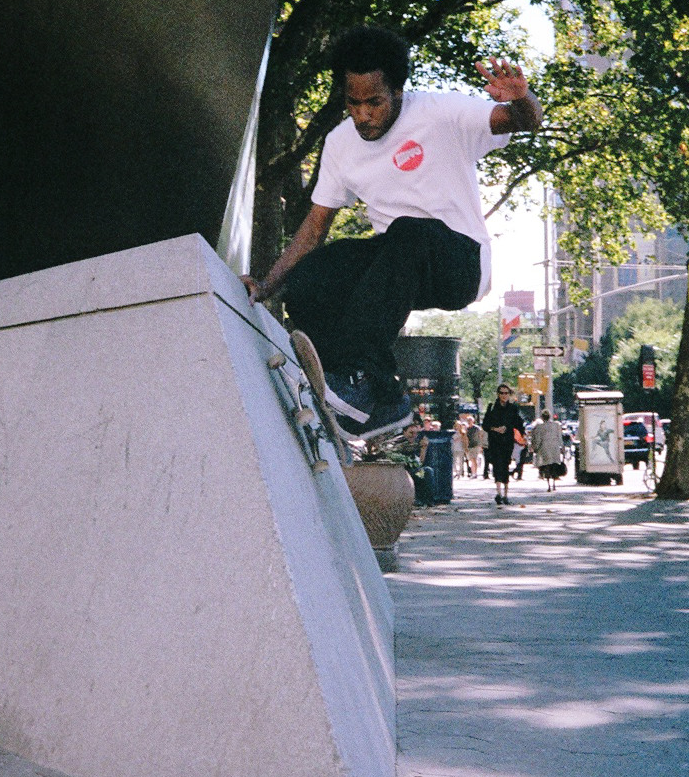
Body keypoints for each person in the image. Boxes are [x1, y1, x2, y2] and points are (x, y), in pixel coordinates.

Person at [241, 25, 542, 440]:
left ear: (397, 92)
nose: (363, 115)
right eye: (353, 103)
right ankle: (377, 401)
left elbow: (524, 122)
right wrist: (266, 285)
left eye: (374, 102)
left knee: (407, 232)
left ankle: (363, 376)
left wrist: (522, 99)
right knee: (312, 278)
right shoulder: (340, 143)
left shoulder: (443, 113)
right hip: (399, 265)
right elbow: (313, 229)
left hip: (460, 263)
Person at [482, 385, 525, 505]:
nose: (504, 395)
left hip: (507, 442)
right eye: (501, 393)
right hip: (495, 442)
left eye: (506, 393)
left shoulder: (512, 408)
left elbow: (518, 423)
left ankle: (505, 494)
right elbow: (485, 425)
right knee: (497, 466)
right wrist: (495, 429)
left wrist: (520, 434)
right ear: (498, 394)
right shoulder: (492, 408)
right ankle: (498, 493)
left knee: (505, 465)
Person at [530, 409, 565, 491]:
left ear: (542, 417)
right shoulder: (556, 425)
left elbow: (538, 439)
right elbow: (559, 437)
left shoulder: (539, 427)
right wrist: (562, 446)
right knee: (554, 465)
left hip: (544, 449)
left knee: (546, 466)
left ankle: (548, 484)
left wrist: (536, 448)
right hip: (555, 448)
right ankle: (554, 483)